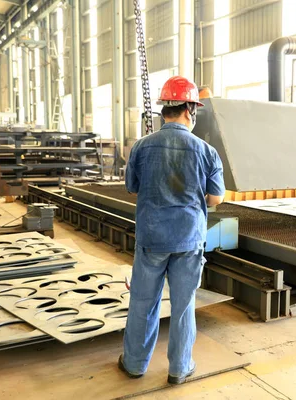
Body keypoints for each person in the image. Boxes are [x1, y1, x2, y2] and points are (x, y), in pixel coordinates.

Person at [118, 76, 225, 385]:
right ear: (190, 109)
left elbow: (132, 188)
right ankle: (179, 368)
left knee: (142, 302)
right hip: (189, 238)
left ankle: (135, 365)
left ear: (164, 109)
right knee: (182, 307)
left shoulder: (141, 146)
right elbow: (215, 197)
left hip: (152, 237)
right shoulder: (205, 150)